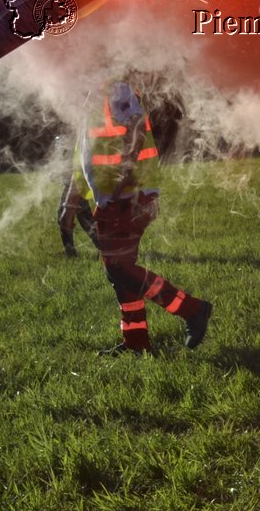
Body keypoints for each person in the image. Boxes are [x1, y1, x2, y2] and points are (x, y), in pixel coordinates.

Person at [73, 79, 211, 354]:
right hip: (114, 198)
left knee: (121, 270)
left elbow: (135, 126)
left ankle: (192, 309)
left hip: (127, 197)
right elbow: (88, 152)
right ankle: (136, 343)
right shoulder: (93, 93)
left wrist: (124, 182)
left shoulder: (116, 88)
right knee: (120, 273)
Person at [57, 169, 96, 257]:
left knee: (86, 221)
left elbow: (74, 164)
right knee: (86, 220)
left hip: (75, 184)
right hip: (74, 183)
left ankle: (105, 247)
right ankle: (69, 251)